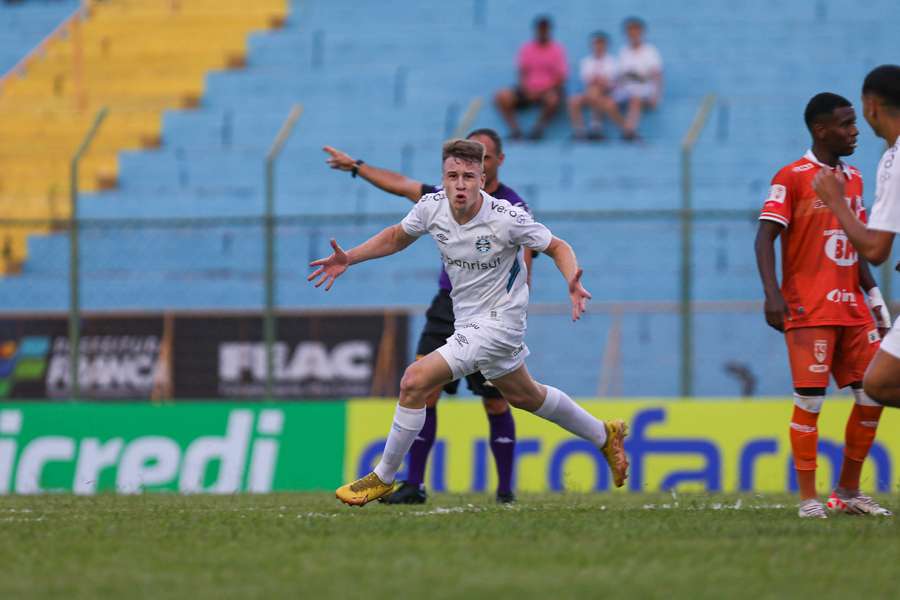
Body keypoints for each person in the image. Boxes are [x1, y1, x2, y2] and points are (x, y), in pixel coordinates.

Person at [310, 139, 629, 506]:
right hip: (467, 321)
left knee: (414, 380)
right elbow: (397, 237)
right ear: (443, 179)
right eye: (452, 176)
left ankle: (383, 477)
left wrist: (571, 279)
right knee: (527, 396)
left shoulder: (505, 217)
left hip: (501, 323)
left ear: (482, 178)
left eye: (468, 176)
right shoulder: (432, 208)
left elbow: (557, 246)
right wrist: (348, 258)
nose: (460, 184)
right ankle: (604, 435)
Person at [322, 129, 529, 504]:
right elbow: (403, 186)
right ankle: (413, 484)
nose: (464, 174)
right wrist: (357, 166)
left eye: (481, 159)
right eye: (458, 170)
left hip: (493, 313)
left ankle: (504, 492)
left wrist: (510, 308)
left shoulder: (510, 208)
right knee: (422, 389)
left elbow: (529, 256)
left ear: (494, 162)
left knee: (497, 401)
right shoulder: (447, 194)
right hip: (447, 305)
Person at [755, 92, 892, 519]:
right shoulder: (793, 176)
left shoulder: (853, 179)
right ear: (821, 129)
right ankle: (808, 500)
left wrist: (875, 299)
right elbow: (764, 237)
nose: (855, 131)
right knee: (811, 402)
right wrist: (772, 293)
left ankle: (848, 492)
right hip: (809, 308)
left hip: (852, 308)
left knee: (872, 395)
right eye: (845, 124)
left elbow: (859, 242)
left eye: (855, 122)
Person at [813, 65, 900, 409]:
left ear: (871, 106)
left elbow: (876, 249)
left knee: (879, 382)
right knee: (879, 382)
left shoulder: (894, 161)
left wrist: (836, 201)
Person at [494, 15, 568, 141]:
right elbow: (522, 72)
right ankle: (515, 131)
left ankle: (538, 129)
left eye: (545, 29)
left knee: (553, 99)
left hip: (547, 91)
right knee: (501, 96)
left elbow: (561, 77)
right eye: (540, 29)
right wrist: (527, 90)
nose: (542, 32)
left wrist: (543, 91)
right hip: (527, 90)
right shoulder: (527, 48)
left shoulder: (557, 50)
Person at [609, 17, 662, 141]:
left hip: (644, 89)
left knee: (635, 99)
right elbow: (619, 75)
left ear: (641, 32)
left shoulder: (650, 51)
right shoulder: (623, 51)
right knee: (608, 103)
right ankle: (628, 130)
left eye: (635, 29)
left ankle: (629, 131)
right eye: (629, 30)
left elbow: (657, 75)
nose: (632, 33)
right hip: (625, 88)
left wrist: (656, 96)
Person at [567, 31, 619, 140]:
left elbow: (610, 82)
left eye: (601, 43)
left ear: (606, 45)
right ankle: (579, 131)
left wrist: (599, 82)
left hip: (607, 94)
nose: (599, 46)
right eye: (596, 43)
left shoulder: (613, 62)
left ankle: (596, 128)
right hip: (589, 92)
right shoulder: (586, 62)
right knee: (573, 100)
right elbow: (586, 81)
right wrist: (598, 81)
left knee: (596, 92)